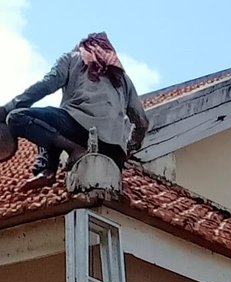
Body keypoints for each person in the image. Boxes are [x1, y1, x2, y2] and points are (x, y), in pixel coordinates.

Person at [0, 32, 149, 189]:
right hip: (114, 153)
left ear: (81, 47)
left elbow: (46, 86)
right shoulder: (122, 78)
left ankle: (73, 152)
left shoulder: (72, 59)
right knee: (50, 119)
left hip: (80, 134)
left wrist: (8, 108)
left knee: (18, 117)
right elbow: (142, 123)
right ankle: (48, 169)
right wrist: (128, 148)